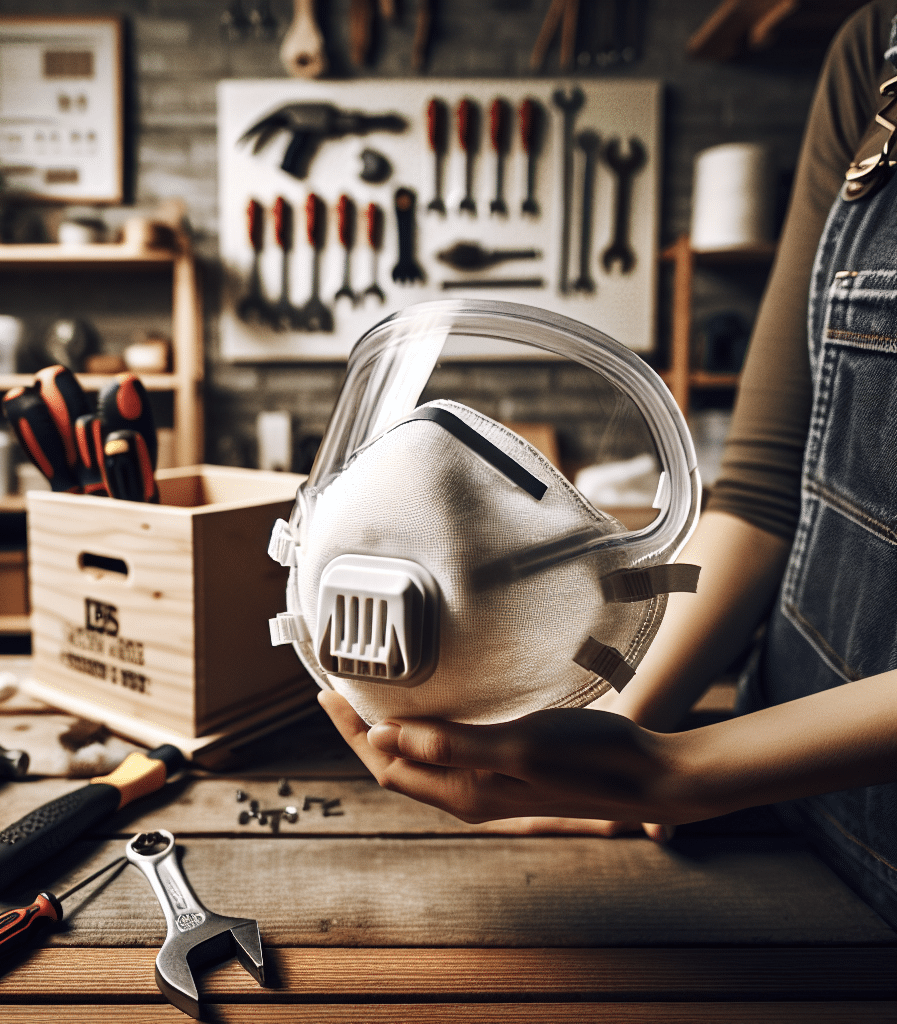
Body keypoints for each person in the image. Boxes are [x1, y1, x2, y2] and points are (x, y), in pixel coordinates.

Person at [319, 0, 897, 930]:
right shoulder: (878, 54)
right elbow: (757, 497)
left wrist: (682, 774)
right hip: (778, 821)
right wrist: (621, 738)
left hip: (738, 789)